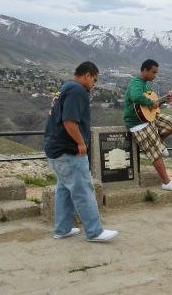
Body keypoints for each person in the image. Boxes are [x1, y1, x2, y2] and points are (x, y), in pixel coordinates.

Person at [44, 61, 119, 242]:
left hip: (54, 149)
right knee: (84, 189)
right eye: (94, 80)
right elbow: (69, 121)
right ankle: (94, 232)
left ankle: (62, 229)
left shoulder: (65, 88)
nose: (94, 84)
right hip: (68, 150)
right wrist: (81, 143)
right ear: (86, 75)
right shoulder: (78, 91)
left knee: (64, 189)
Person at [124, 59, 172, 192]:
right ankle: (166, 182)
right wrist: (152, 104)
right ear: (144, 70)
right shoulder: (136, 83)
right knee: (155, 153)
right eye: (153, 72)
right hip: (137, 123)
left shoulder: (146, 84)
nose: (155, 75)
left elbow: (152, 105)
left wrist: (162, 101)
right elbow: (136, 97)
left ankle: (158, 141)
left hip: (149, 118)